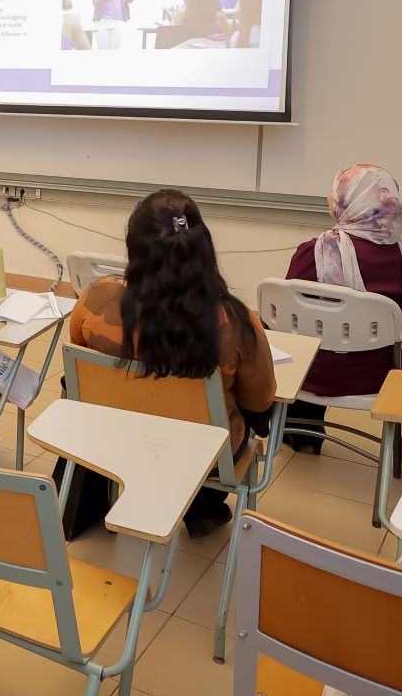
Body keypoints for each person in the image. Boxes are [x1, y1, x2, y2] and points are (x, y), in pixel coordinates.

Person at [70, 189, 277, 537]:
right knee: (232, 416)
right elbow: (259, 401)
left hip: (112, 444)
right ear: (202, 250)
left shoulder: (97, 299)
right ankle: (204, 506)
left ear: (135, 249)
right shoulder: (236, 323)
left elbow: (81, 355)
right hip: (204, 459)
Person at [283, 164, 402, 454]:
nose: (330, 198)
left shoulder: (314, 251)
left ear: (352, 202)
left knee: (302, 336)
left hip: (315, 373)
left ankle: (300, 429)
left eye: (336, 194)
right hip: (383, 375)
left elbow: (289, 319)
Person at [159, 0, 226, 47]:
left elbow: (172, 36)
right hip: (211, 52)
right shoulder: (219, 15)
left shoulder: (183, 13)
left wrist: (172, 18)